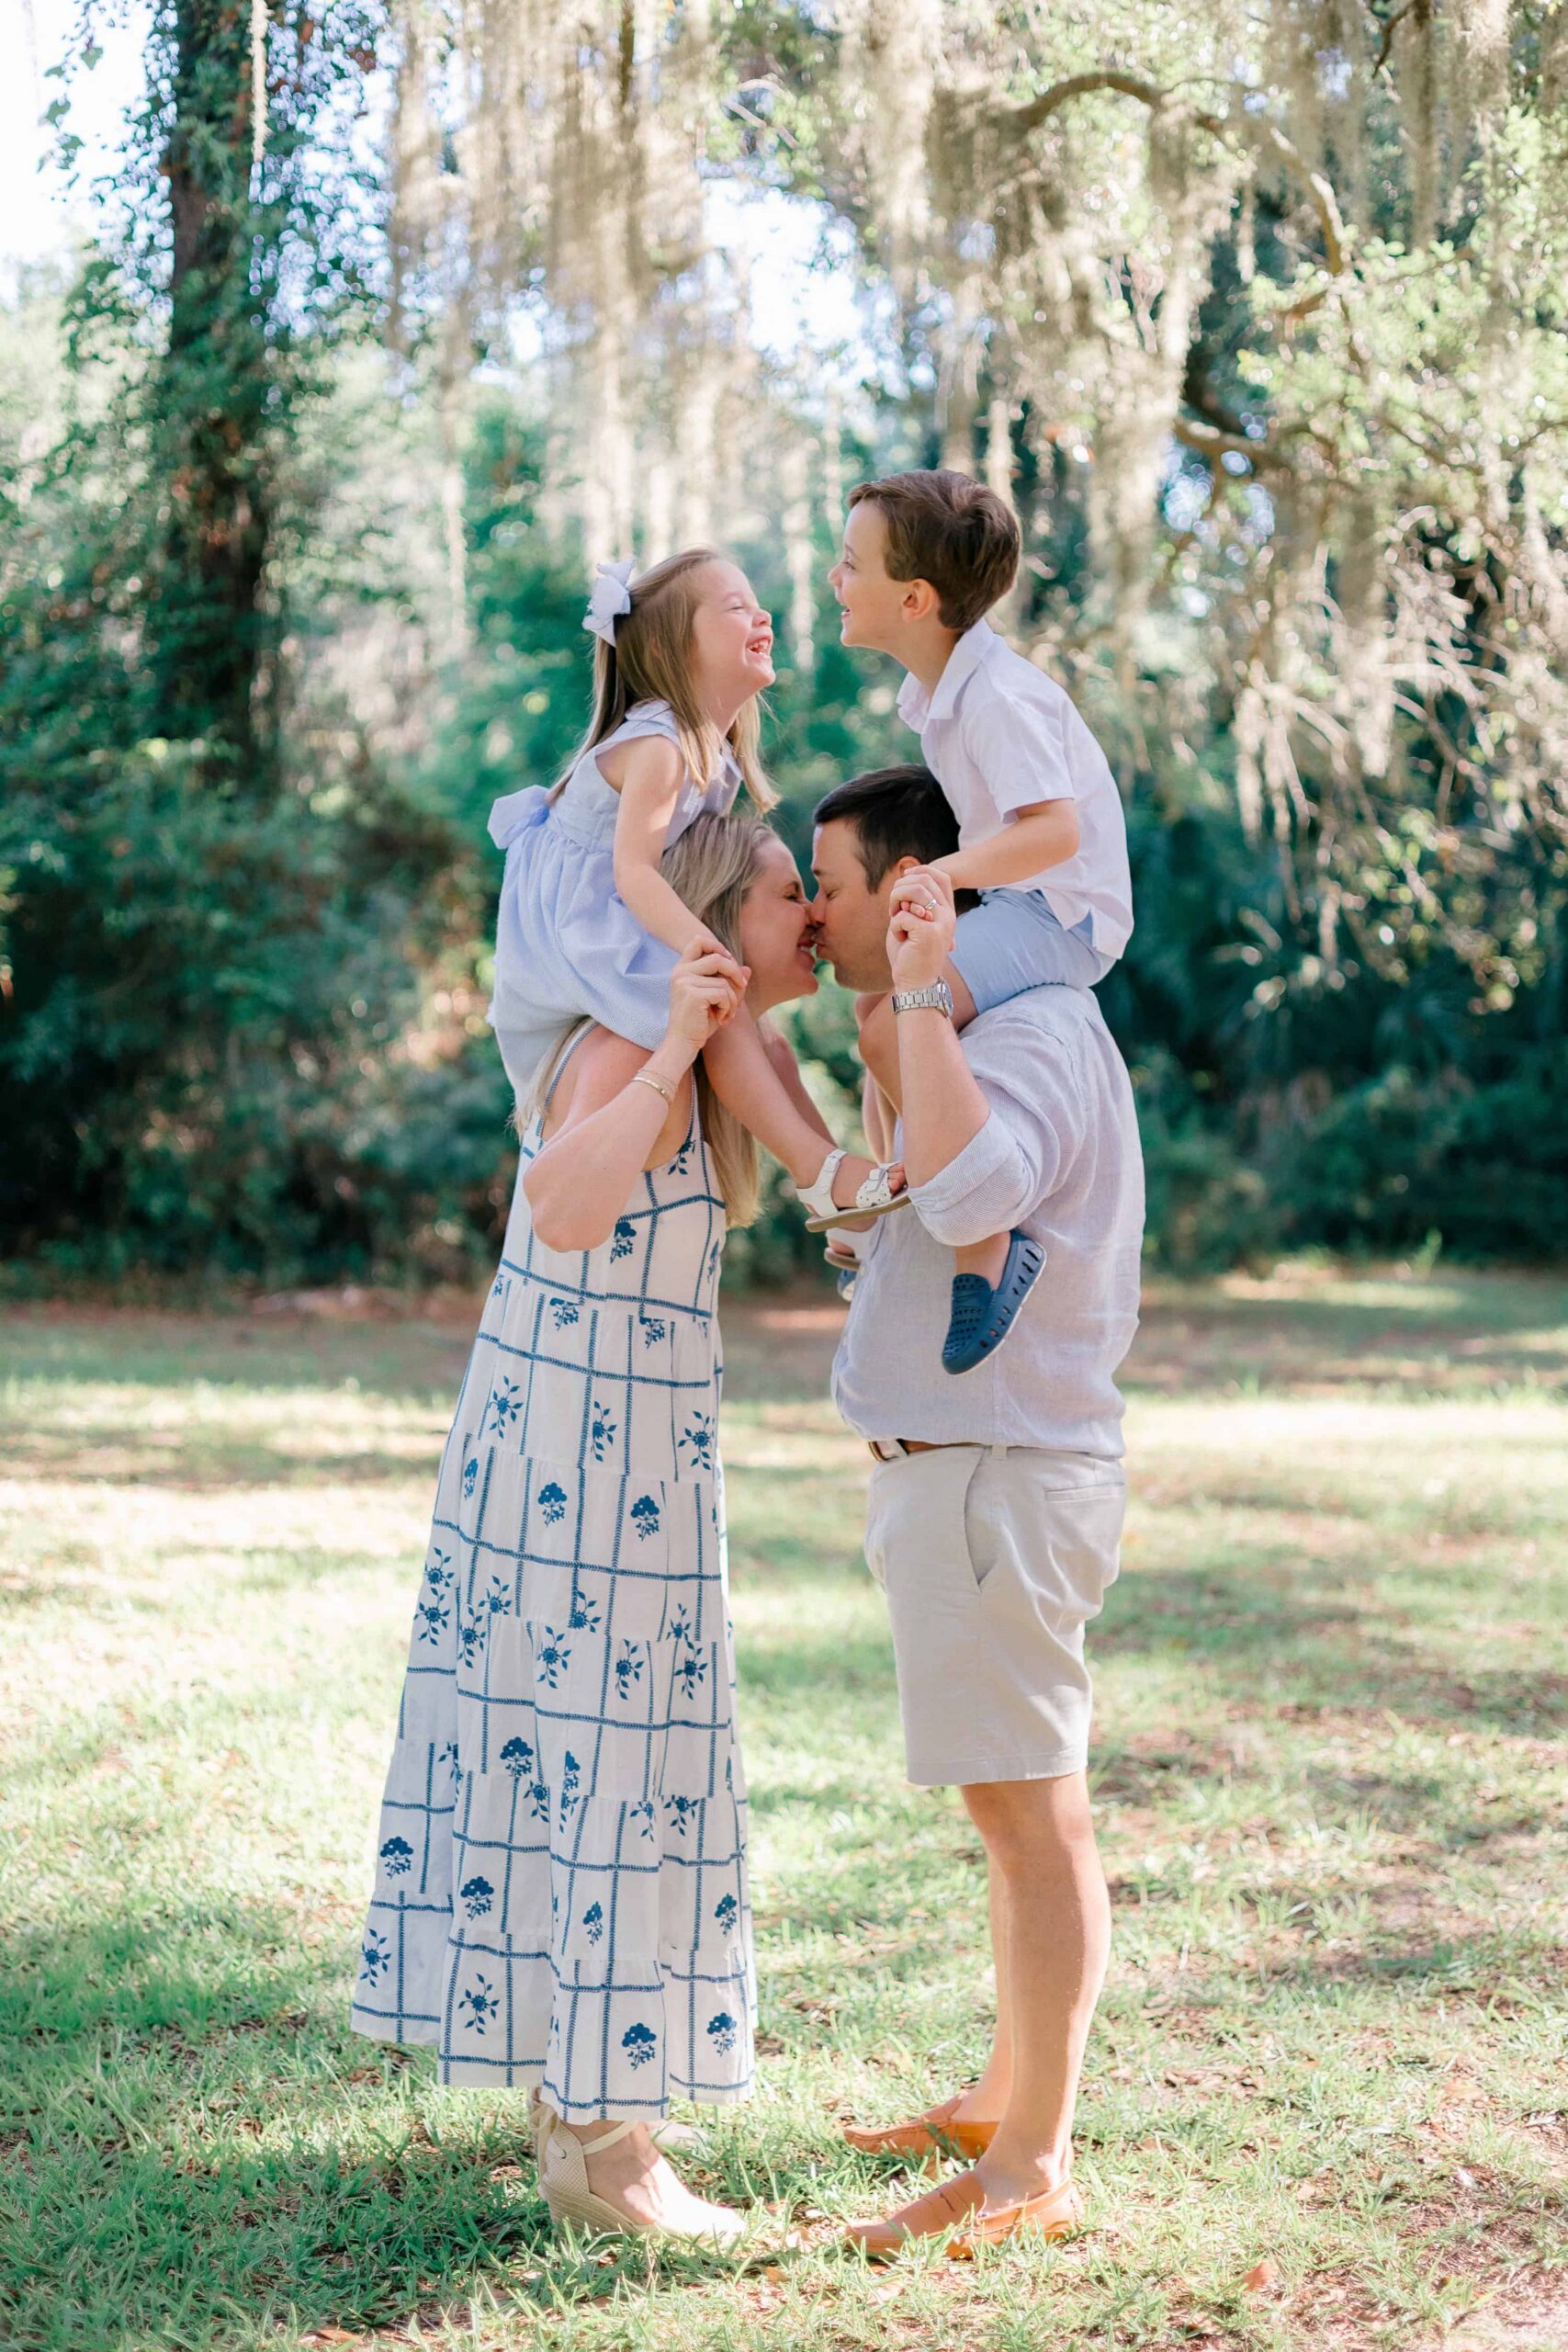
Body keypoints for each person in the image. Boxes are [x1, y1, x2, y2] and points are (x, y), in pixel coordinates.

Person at [351, 810, 836, 2245]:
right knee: (609, 1772)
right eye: (783, 894)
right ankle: (599, 2153)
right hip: (583, 1467)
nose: (807, 911)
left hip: (620, 1458)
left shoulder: (710, 1060)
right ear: (703, 923)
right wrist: (681, 1048)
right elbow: (561, 1207)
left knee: (580, 1764)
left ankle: (586, 2095)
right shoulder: (640, 1054)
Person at [808, 764, 1145, 2257]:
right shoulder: (972, 1028)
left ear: (911, 887)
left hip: (994, 1484)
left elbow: (971, 1203)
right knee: (1011, 1812)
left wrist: (924, 1004)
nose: (812, 917)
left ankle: (1028, 2162)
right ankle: (1004, 2098)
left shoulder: (1020, 1031)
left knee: (1031, 1815)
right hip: (964, 1479)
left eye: (827, 884)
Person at [486, 547, 906, 1235]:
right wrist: (700, 945)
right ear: (676, 648)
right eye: (735, 606)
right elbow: (635, 872)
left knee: (759, 1037)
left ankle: (834, 1185)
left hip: (610, 913)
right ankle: (816, 1174)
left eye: (755, 601)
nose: (760, 613)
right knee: (720, 1009)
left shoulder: (716, 753)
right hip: (575, 926)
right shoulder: (660, 743)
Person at [828, 471, 1133, 1374]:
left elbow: (1056, 829)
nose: (834, 581)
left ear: (914, 599)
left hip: (1062, 916)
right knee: (872, 1014)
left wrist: (942, 875)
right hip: (1017, 903)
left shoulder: (998, 695)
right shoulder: (944, 696)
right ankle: (900, 1197)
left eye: (850, 565)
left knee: (894, 1019)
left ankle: (991, 1249)